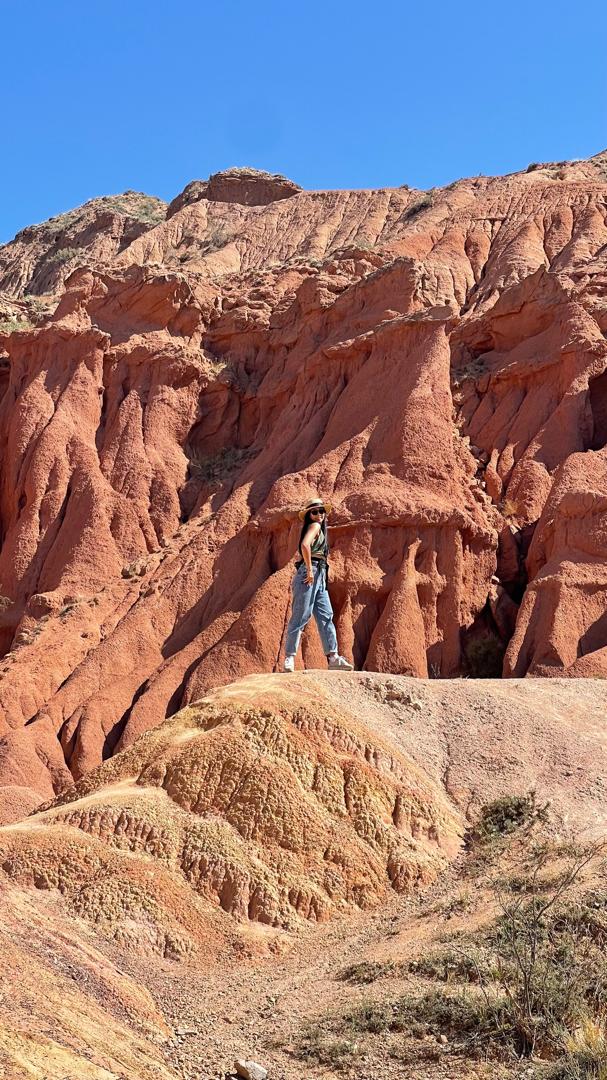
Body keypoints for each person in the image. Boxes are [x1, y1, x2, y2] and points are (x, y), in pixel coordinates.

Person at [283, 497, 353, 673]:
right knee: (301, 615)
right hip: (311, 572)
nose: (319, 515)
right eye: (315, 512)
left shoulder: (320, 529)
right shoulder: (314, 526)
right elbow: (305, 545)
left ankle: (333, 657)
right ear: (309, 515)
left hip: (319, 573)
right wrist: (309, 570)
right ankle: (289, 658)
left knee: (325, 614)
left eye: (322, 511)